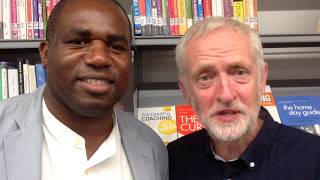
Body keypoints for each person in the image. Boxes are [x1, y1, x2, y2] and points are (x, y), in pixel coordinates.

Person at [0, 0, 168, 180]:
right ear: (46, 54)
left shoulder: (152, 147)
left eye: (116, 47)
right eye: (78, 42)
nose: (99, 58)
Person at [167, 17, 320, 180]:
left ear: (261, 79)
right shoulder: (173, 160)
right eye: (205, 78)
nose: (225, 95)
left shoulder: (314, 160)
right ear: (186, 91)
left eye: (239, 72)